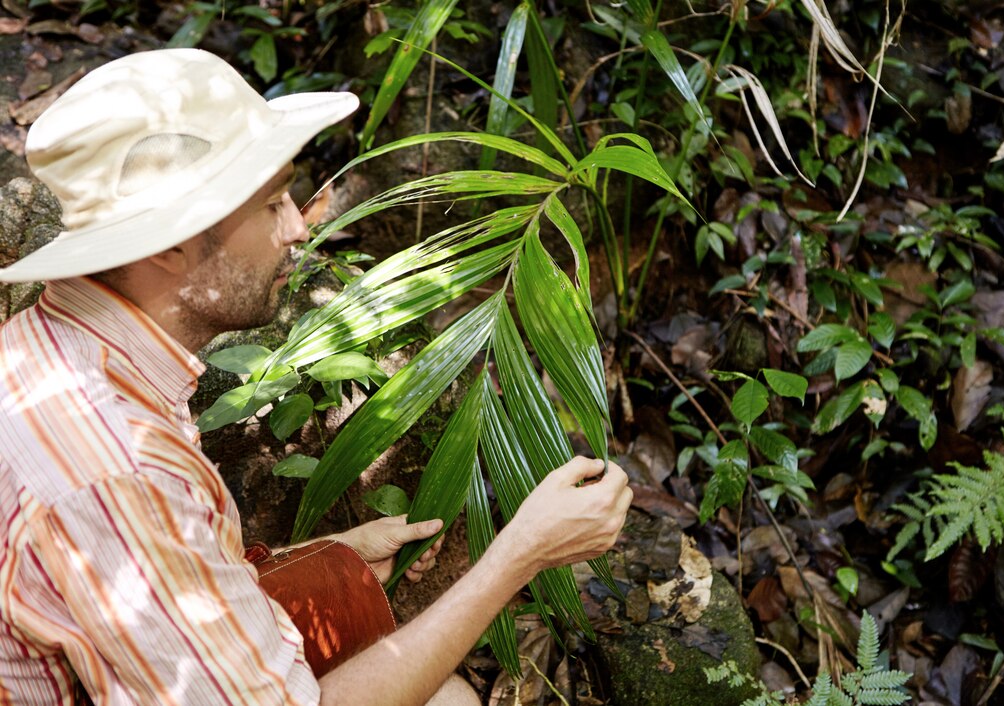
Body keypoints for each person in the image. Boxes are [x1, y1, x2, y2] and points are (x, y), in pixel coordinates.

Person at [0, 49, 633, 705]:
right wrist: (521, 555)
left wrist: (333, 552)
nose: (300, 226)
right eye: (273, 204)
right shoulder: (120, 471)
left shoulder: (54, 350)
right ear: (170, 244)